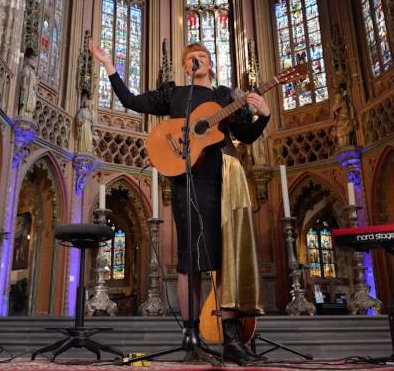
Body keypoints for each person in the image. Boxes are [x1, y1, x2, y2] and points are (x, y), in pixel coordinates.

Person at [90, 40, 269, 364]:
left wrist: (263, 116)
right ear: (186, 67)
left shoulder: (224, 96)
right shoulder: (174, 95)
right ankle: (191, 336)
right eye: (190, 59)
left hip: (221, 180)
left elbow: (246, 133)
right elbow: (131, 100)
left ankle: (231, 341)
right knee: (190, 257)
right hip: (187, 181)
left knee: (224, 256)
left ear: (210, 64)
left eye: (201, 57)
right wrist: (108, 65)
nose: (196, 62)